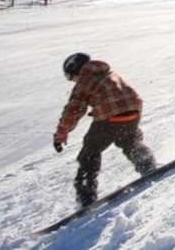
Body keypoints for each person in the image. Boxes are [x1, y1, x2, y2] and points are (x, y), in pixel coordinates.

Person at [53, 53, 157, 207]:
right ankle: (147, 165)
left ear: (75, 70)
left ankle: (86, 196)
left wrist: (60, 135)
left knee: (90, 151)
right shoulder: (109, 73)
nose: (72, 81)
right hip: (133, 112)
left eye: (71, 77)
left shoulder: (84, 80)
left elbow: (73, 110)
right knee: (129, 141)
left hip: (110, 116)